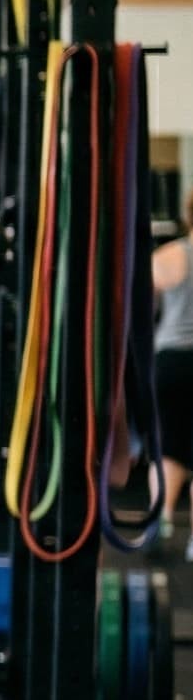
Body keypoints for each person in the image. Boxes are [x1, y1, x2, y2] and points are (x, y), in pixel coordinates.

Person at [154, 225, 193, 534]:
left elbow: (142, 309)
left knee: (167, 447)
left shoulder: (167, 256)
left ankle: (162, 518)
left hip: (169, 360)